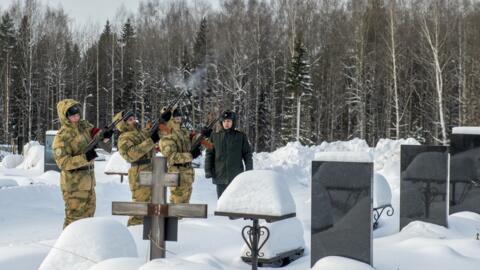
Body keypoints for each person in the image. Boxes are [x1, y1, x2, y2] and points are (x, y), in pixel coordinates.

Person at [53, 99, 113, 228]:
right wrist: (85, 157)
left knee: (88, 219)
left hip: (88, 183)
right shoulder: (62, 137)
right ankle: (66, 247)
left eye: (77, 114)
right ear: (65, 116)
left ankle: (83, 246)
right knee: (74, 220)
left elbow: (97, 135)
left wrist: (105, 135)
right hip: (73, 186)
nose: (76, 117)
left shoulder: (85, 127)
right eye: (72, 115)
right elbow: (63, 163)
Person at [114, 110, 171, 226]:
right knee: (140, 207)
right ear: (123, 123)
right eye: (129, 120)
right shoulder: (123, 138)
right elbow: (131, 155)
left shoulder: (140, 133)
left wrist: (163, 120)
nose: (133, 120)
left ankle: (148, 232)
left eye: (133, 118)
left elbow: (156, 132)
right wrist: (151, 141)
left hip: (151, 168)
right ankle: (135, 231)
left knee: (151, 203)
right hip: (139, 170)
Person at [204, 110, 253, 198]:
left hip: (236, 177)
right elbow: (209, 154)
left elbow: (247, 154)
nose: (226, 123)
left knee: (235, 202)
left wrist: (249, 170)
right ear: (221, 122)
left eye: (229, 121)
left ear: (233, 122)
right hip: (219, 176)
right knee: (222, 202)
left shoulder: (240, 136)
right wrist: (208, 170)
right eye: (225, 121)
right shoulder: (214, 136)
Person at [159, 108, 202, 204]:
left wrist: (203, 135)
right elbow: (172, 157)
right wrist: (190, 155)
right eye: (176, 118)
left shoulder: (183, 132)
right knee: (176, 205)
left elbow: (193, 141)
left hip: (187, 174)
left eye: (180, 117)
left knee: (185, 206)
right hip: (176, 173)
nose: (179, 120)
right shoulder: (167, 134)